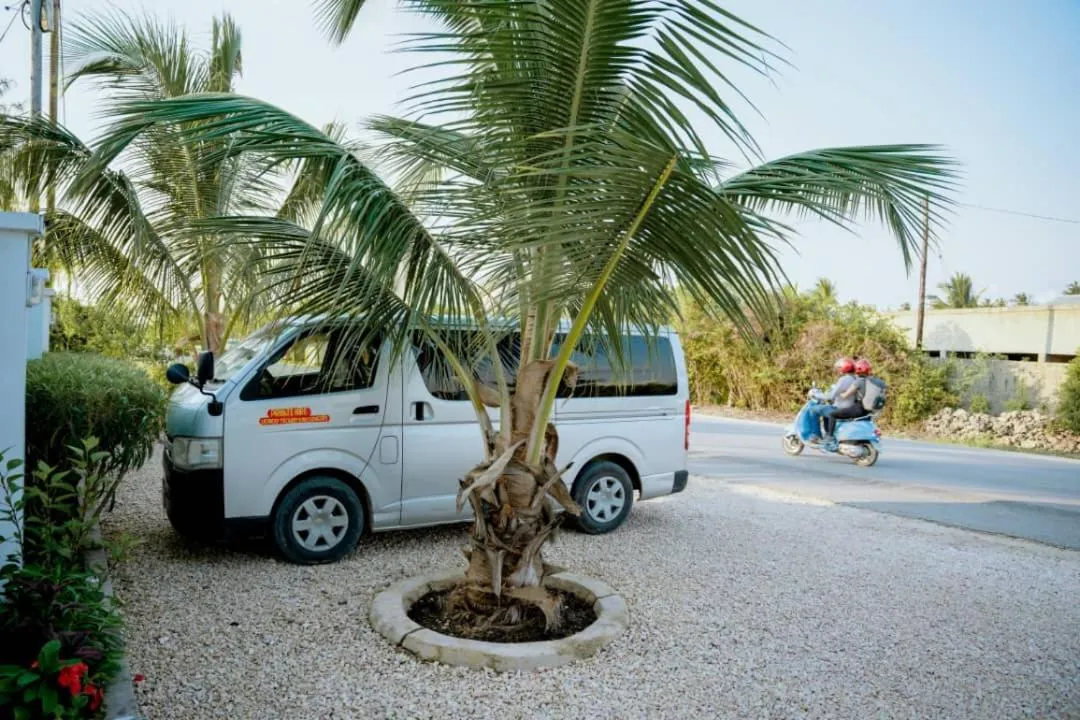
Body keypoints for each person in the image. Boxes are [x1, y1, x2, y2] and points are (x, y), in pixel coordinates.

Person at [818, 356, 867, 442]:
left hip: (842, 406)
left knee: (820, 410)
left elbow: (831, 396)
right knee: (826, 410)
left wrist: (817, 395)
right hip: (852, 406)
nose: (839, 369)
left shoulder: (844, 379)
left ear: (845, 368)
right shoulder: (856, 378)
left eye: (840, 367)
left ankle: (829, 436)